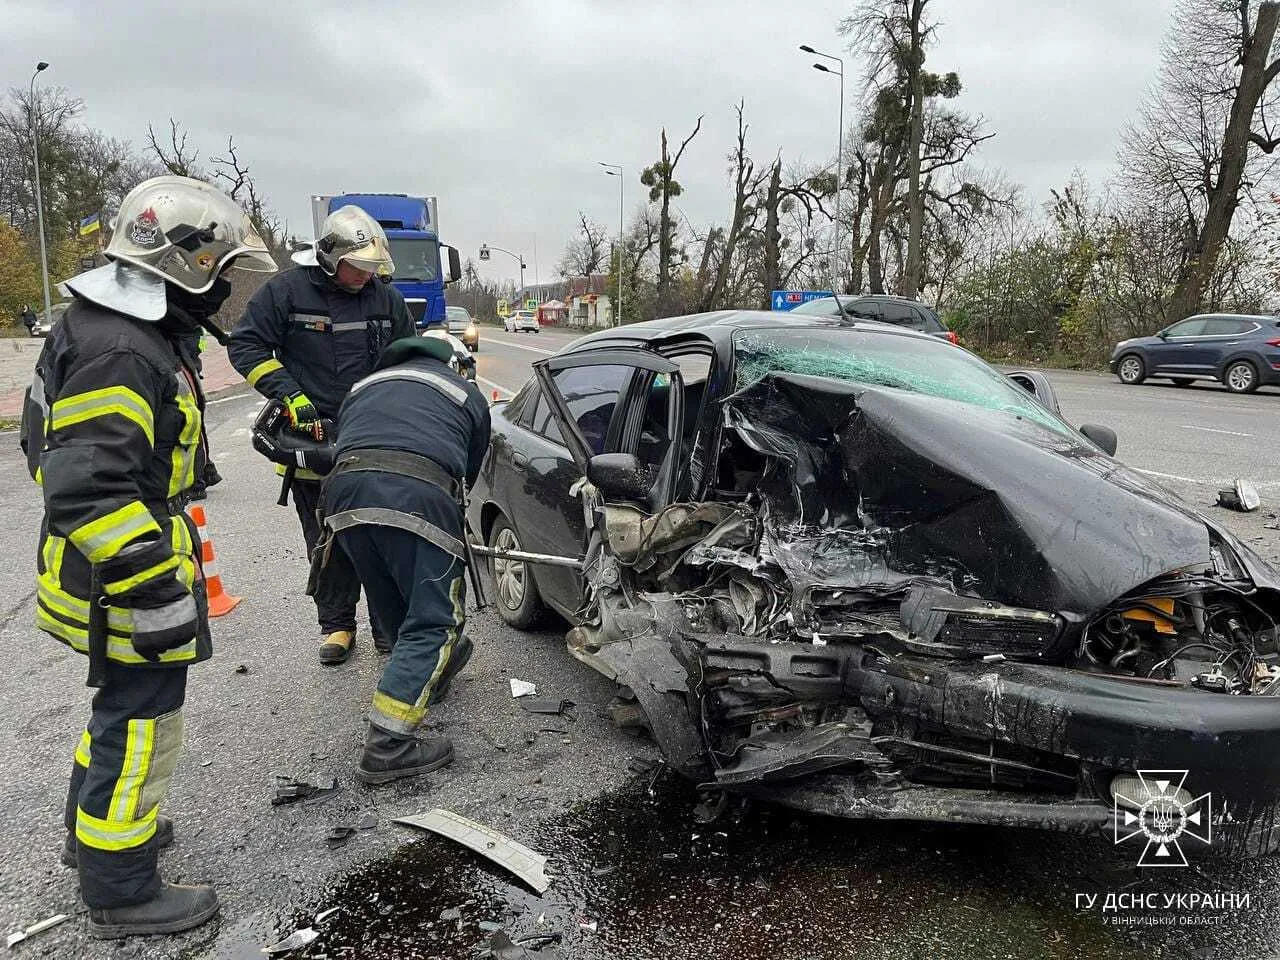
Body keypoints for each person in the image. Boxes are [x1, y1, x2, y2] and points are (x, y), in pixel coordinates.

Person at [19, 175, 276, 937]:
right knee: (141, 724)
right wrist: (154, 586)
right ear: (185, 260)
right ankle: (121, 887)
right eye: (220, 269)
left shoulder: (113, 327)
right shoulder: (122, 348)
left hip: (101, 568)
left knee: (116, 709)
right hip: (123, 574)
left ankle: (93, 837)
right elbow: (90, 487)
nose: (224, 285)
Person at [228, 207, 415, 664]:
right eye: (358, 266)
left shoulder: (385, 299)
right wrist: (288, 394)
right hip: (313, 438)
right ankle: (337, 626)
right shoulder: (286, 292)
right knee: (326, 538)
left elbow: (407, 355)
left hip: (371, 436)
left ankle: (388, 625)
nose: (365, 275)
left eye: (372, 267)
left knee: (382, 534)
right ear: (331, 257)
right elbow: (246, 345)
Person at [318, 332, 489, 783]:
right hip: (418, 494)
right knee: (436, 621)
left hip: (343, 498)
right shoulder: (463, 392)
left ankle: (429, 673)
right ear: (453, 362)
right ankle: (388, 745)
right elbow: (468, 470)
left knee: (391, 598)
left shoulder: (363, 386)